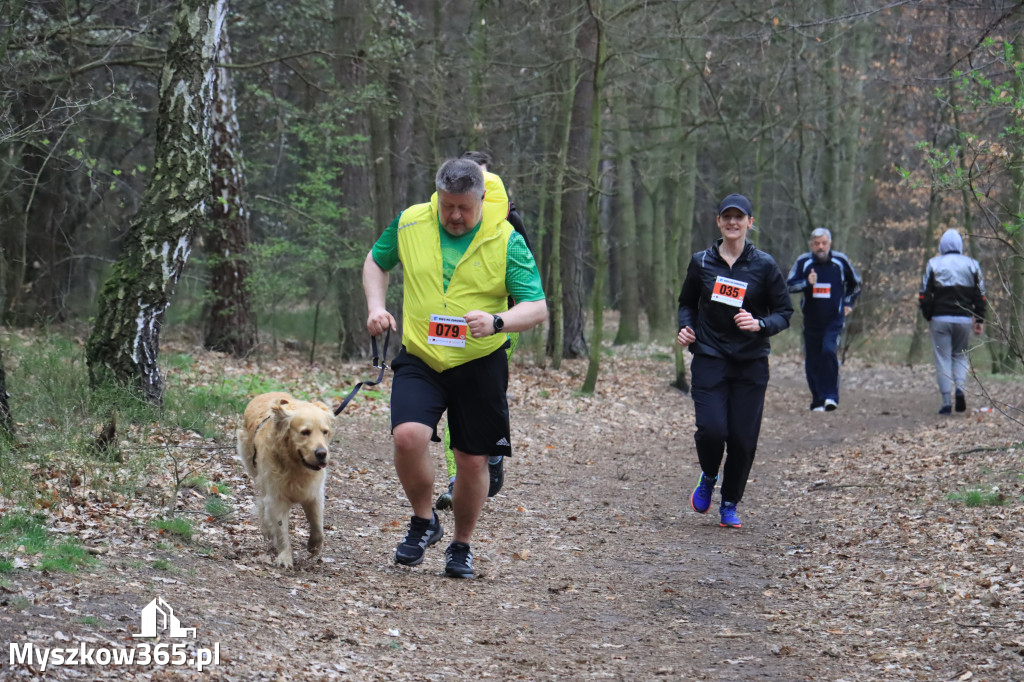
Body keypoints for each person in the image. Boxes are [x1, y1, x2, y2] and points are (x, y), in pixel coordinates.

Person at [363, 158, 547, 578]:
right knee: (408, 438)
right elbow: (376, 261)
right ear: (437, 197)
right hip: (421, 356)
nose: (455, 216)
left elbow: (536, 307)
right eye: (447, 206)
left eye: (465, 207)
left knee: (471, 460)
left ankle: (461, 544)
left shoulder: (507, 240)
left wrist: (498, 321)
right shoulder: (410, 222)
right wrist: (376, 306)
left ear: (482, 198)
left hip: (479, 361)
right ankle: (424, 521)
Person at [676, 194, 793, 529]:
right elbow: (686, 302)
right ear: (718, 222)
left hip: (750, 362)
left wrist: (761, 325)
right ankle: (709, 475)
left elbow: (785, 312)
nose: (732, 223)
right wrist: (686, 327)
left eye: (738, 218)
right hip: (710, 357)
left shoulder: (765, 266)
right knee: (712, 430)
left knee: (743, 439)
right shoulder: (701, 262)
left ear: (749, 223)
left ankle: (729, 502)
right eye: (726, 217)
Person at [435, 151, 530, 511]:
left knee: (483, 394)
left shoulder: (510, 220)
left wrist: (502, 319)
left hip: (500, 322)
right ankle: (457, 478)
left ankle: (491, 456)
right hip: (450, 321)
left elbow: (528, 284)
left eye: (486, 180)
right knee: (453, 391)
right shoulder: (441, 219)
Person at [786, 227, 862, 412]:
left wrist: (848, 303)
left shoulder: (840, 261)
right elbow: (789, 286)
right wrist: (806, 282)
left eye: (824, 243)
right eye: (817, 243)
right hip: (811, 319)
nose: (820, 247)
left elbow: (856, 284)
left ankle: (830, 396)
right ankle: (817, 400)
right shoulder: (803, 262)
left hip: (833, 319)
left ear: (830, 244)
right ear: (811, 245)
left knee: (828, 351)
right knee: (812, 359)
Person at [918, 228, 986, 414]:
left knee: (943, 358)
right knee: (961, 355)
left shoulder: (933, 264)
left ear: (942, 245)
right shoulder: (972, 265)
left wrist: (929, 315)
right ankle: (960, 389)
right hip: (964, 320)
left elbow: (924, 294)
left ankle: (946, 401)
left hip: (940, 318)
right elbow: (980, 294)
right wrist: (979, 318)